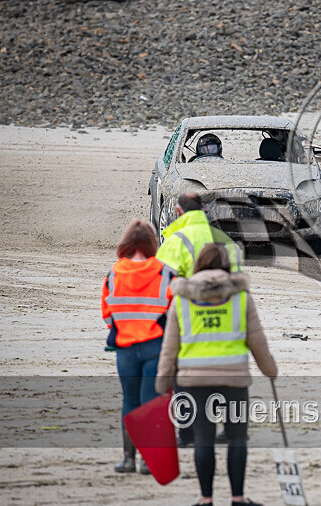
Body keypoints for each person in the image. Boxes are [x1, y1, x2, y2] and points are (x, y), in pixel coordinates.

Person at [156, 244, 277, 506]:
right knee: (236, 438)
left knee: (203, 438)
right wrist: (270, 369)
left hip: (194, 380)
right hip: (233, 378)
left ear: (198, 265)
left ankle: (206, 499)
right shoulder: (241, 297)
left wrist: (163, 378)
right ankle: (238, 497)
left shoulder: (182, 299)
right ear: (226, 266)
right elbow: (257, 340)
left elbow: (170, 346)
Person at [156, 191, 242, 446]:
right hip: (225, 313)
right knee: (225, 370)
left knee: (185, 375)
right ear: (204, 210)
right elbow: (236, 278)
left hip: (188, 315)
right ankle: (229, 428)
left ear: (179, 213)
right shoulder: (223, 239)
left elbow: (164, 285)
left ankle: (187, 433)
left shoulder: (174, 241)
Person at [101, 220, 174, 474]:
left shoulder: (114, 273)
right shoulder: (165, 273)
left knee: (130, 401)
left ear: (127, 242)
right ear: (152, 243)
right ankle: (148, 461)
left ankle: (128, 459)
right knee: (152, 403)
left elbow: (107, 314)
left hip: (126, 349)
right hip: (156, 346)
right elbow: (176, 313)